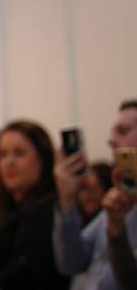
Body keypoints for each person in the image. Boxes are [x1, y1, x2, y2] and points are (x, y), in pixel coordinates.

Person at [0, 120, 69, 289]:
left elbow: (23, 274)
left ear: (43, 160)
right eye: (2, 155)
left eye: (19, 153)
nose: (9, 162)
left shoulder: (50, 208)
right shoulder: (8, 210)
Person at [53, 100, 137, 289]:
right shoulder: (117, 200)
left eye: (123, 131)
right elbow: (71, 263)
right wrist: (66, 200)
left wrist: (116, 229)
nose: (111, 140)